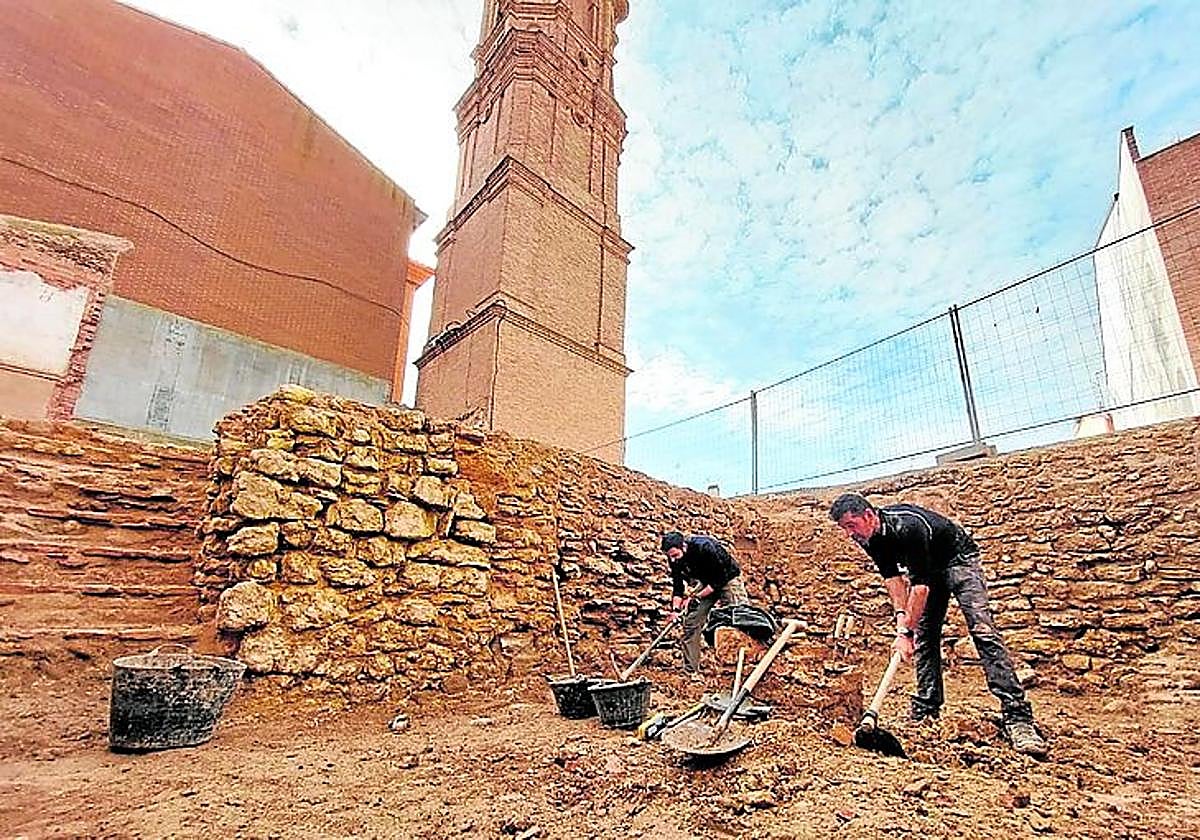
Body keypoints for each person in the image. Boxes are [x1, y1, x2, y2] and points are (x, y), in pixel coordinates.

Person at [828, 493, 1048, 757]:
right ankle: (926, 710)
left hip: (959, 560)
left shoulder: (907, 526)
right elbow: (894, 581)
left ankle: (1018, 717)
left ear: (868, 515)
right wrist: (902, 622)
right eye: (844, 528)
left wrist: (906, 633)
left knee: (983, 632)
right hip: (928, 570)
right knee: (925, 637)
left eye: (851, 525)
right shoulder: (869, 538)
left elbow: (919, 590)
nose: (848, 534)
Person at [660, 532, 748, 675]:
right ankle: (691, 671)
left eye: (675, 555)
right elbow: (678, 586)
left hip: (727, 578)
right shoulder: (674, 558)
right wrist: (675, 610)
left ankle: (743, 667)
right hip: (706, 581)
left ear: (683, 546)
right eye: (670, 556)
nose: (672, 559)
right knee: (691, 622)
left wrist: (696, 597)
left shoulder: (705, 547)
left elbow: (719, 580)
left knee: (739, 617)